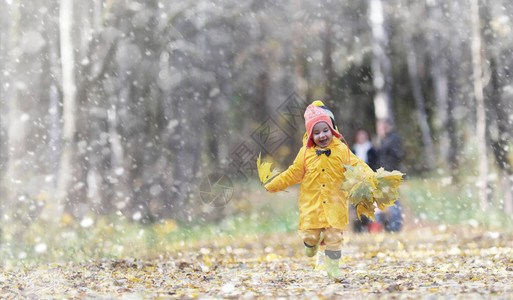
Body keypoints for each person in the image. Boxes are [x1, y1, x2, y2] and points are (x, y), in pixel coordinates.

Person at [265, 102, 374, 278]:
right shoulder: (305, 153)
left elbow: (358, 165)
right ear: (310, 135)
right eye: (316, 133)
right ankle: (310, 244)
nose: (322, 135)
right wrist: (275, 184)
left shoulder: (342, 150)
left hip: (335, 204)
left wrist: (371, 178)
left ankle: (333, 270)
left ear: (332, 130)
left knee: (334, 239)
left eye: (325, 130)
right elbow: (292, 173)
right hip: (312, 206)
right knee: (310, 236)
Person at [376, 119, 404, 232]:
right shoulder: (385, 140)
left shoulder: (394, 139)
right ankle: (388, 225)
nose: (380, 130)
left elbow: (398, 155)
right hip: (386, 175)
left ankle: (395, 226)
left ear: (388, 127)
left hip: (391, 175)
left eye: (382, 127)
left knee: (394, 201)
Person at [349, 129, 379, 233]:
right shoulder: (352, 151)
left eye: (364, 135)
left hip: (369, 181)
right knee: (356, 205)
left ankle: (370, 227)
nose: (362, 138)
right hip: (356, 182)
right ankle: (358, 228)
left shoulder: (372, 150)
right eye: (360, 136)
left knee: (369, 204)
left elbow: (376, 165)